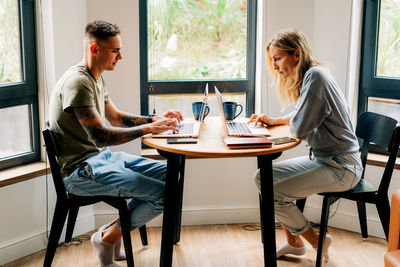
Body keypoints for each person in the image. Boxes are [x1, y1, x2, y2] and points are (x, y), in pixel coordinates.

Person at [49, 20, 183, 267]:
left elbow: (116, 118)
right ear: (94, 49)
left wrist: (155, 119)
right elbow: (100, 136)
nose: (121, 56)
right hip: (80, 172)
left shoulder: (95, 77)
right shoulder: (78, 83)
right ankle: (108, 239)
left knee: (172, 174)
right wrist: (147, 130)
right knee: (165, 194)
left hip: (101, 159)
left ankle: (111, 232)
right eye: (115, 50)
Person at [249, 29, 363, 262]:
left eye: (278, 58)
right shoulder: (315, 74)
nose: (275, 66)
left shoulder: (316, 77)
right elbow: (305, 115)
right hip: (325, 161)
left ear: (296, 54)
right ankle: (294, 244)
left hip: (342, 168)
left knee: (274, 191)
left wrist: (288, 124)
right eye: (273, 60)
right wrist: (275, 120)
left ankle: (316, 242)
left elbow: (300, 130)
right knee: (263, 177)